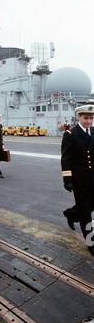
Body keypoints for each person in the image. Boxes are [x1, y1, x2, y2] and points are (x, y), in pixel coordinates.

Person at [61, 104, 94, 255]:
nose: (89, 121)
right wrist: (67, 179)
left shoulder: (93, 131)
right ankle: (90, 242)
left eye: (91, 118)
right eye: (86, 117)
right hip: (79, 179)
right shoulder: (70, 134)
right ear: (79, 117)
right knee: (86, 211)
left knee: (89, 205)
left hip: (92, 177)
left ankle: (72, 214)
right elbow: (66, 159)